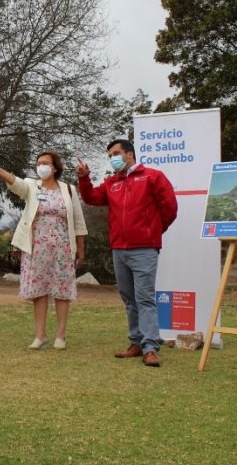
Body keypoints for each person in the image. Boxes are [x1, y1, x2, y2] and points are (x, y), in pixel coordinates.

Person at [76, 139, 177, 367]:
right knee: (129, 300)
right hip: (119, 250)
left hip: (144, 249)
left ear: (129, 154)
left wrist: (152, 232)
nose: (113, 157)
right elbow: (91, 197)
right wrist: (84, 178)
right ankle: (136, 342)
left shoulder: (152, 176)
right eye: (110, 154)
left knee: (145, 298)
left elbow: (169, 208)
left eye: (116, 152)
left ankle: (150, 348)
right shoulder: (113, 182)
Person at [0, 151, 87, 350]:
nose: (41, 166)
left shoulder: (69, 190)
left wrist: (80, 249)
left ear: (55, 167)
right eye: (38, 163)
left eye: (45, 163)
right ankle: (40, 336)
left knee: (62, 291)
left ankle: (60, 336)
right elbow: (14, 181)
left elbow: (79, 223)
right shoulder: (31, 185)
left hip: (63, 249)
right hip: (36, 247)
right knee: (40, 291)